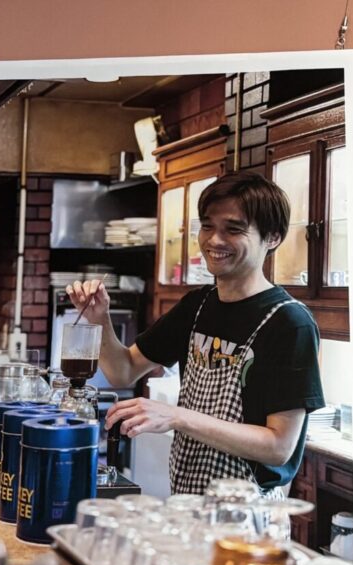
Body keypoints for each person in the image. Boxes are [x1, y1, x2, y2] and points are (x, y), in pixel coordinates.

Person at [65, 171, 325, 496]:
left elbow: (278, 447)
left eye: (233, 229)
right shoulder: (198, 305)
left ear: (272, 238)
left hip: (249, 514)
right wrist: (100, 319)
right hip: (188, 503)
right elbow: (123, 370)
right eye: (207, 226)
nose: (214, 240)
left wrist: (177, 416)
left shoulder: (289, 322)